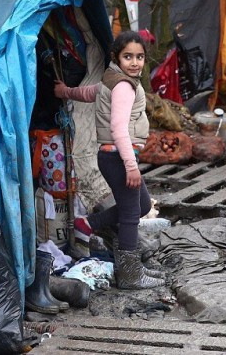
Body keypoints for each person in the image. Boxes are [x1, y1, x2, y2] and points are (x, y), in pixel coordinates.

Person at [53, 31, 164, 290]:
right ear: (116, 57)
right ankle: (129, 275)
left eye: (139, 57)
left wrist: (66, 91)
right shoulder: (125, 86)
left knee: (143, 204)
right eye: (128, 57)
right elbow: (119, 129)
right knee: (129, 215)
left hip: (112, 156)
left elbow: (91, 93)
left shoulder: (111, 79)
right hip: (117, 156)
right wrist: (131, 167)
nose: (135, 62)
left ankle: (87, 224)